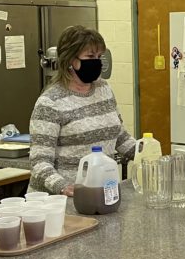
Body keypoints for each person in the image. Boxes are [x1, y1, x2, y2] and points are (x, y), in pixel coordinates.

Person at [29, 26, 135, 196]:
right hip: (59, 201)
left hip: (98, 191)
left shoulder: (103, 89)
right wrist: (63, 187)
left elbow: (119, 137)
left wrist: (147, 155)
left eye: (99, 56)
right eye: (90, 56)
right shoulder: (50, 102)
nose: (97, 62)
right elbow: (39, 161)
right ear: (70, 60)